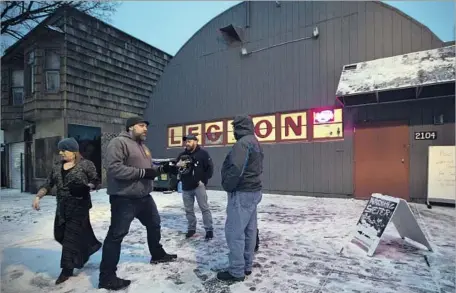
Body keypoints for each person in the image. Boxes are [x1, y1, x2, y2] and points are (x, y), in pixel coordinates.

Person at [98, 116, 177, 291]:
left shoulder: (144, 147)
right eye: (141, 126)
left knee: (154, 224)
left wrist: (163, 169)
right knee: (116, 235)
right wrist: (142, 173)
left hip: (144, 198)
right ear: (130, 127)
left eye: (146, 126)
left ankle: (157, 254)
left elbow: (149, 170)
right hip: (124, 198)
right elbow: (114, 168)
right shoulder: (118, 143)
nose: (145, 129)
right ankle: (107, 277)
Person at [32, 137, 101, 285]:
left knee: (70, 238)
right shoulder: (57, 167)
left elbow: (96, 181)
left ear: (74, 151)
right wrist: (38, 197)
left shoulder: (86, 165)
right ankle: (86, 250)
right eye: (60, 150)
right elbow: (48, 184)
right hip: (62, 207)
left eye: (64, 150)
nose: (61, 153)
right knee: (60, 235)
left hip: (79, 206)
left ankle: (66, 270)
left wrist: (87, 187)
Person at [217, 115, 264, 282]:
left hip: (242, 192)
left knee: (234, 232)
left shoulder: (242, 143)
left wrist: (228, 186)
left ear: (238, 127)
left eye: (234, 127)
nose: (232, 131)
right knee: (249, 231)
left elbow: (237, 168)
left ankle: (236, 271)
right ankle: (246, 265)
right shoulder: (255, 141)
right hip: (253, 192)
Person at [175, 134, 214, 240]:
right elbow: (176, 169)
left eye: (189, 141)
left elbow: (210, 168)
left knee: (204, 208)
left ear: (195, 142)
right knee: (188, 210)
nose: (187, 143)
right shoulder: (182, 155)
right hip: (186, 187)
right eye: (186, 141)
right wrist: (178, 167)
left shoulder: (203, 154)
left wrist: (203, 181)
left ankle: (209, 229)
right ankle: (191, 229)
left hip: (198, 186)